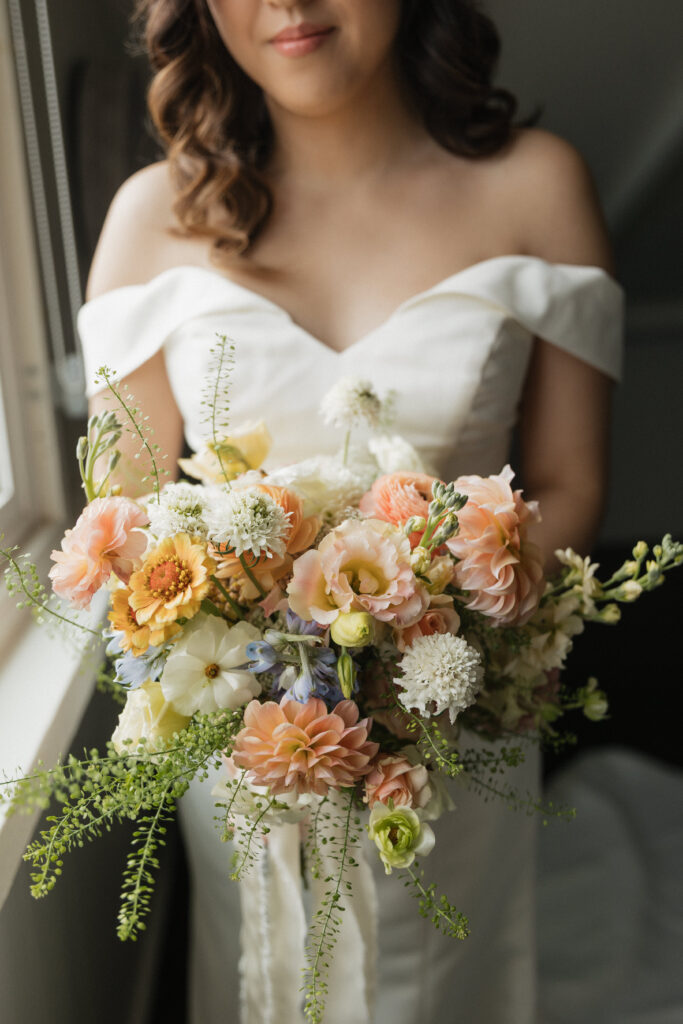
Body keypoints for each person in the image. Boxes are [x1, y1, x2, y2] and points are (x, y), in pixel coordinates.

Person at [80, 1, 624, 1021]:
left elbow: (568, 478)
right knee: (262, 972)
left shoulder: (533, 187)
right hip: (242, 735)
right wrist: (252, 651)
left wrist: (424, 636)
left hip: (451, 712)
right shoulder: (148, 219)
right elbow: (125, 514)